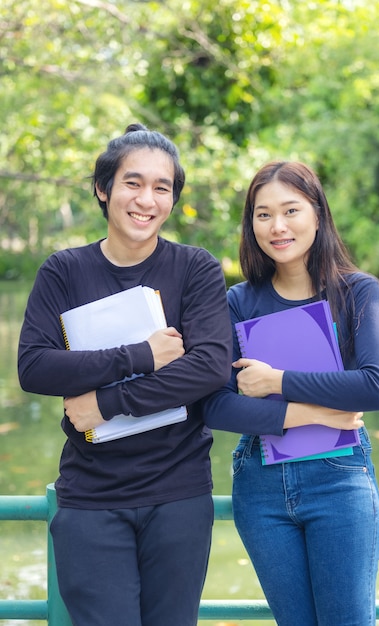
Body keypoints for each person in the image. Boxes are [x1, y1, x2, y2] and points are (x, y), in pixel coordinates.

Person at [18, 123, 232, 626]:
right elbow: (35, 366)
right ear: (103, 188)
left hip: (178, 494)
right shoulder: (63, 271)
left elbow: (208, 367)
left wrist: (106, 402)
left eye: (162, 188)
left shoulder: (194, 268)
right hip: (91, 499)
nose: (147, 199)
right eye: (133, 183)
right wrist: (141, 354)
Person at [203, 160, 379, 626]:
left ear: (317, 214)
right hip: (261, 485)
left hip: (339, 480)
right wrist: (313, 414)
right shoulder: (237, 302)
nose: (278, 226)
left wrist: (276, 382)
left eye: (291, 210)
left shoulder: (357, 292)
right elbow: (212, 404)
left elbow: (376, 386)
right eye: (263, 214)